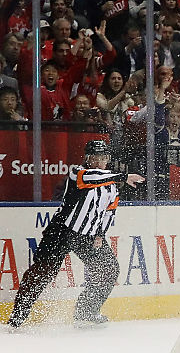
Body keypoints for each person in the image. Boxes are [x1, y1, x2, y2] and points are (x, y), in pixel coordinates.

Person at [6, 140, 145, 328]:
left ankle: (86, 311)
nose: (99, 162)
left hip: (87, 236)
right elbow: (93, 178)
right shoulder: (77, 173)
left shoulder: (111, 185)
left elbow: (109, 211)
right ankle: (18, 317)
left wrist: (100, 235)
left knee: (109, 269)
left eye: (103, 158)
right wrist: (123, 176)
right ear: (87, 159)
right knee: (42, 273)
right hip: (61, 231)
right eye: (95, 158)